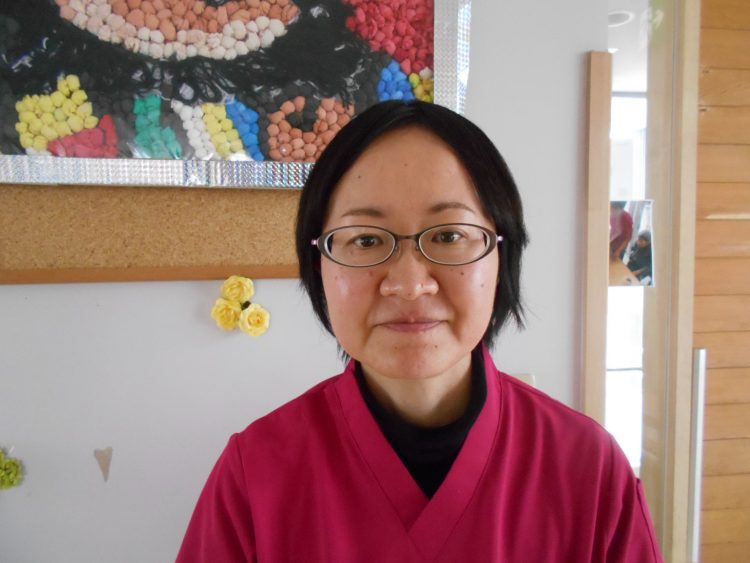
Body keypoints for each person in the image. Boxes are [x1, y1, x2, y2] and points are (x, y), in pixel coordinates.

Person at [176, 101, 663, 562]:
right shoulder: (254, 475)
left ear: (503, 255)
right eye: (366, 239)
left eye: (449, 235)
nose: (409, 285)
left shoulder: (589, 470)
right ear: (318, 263)